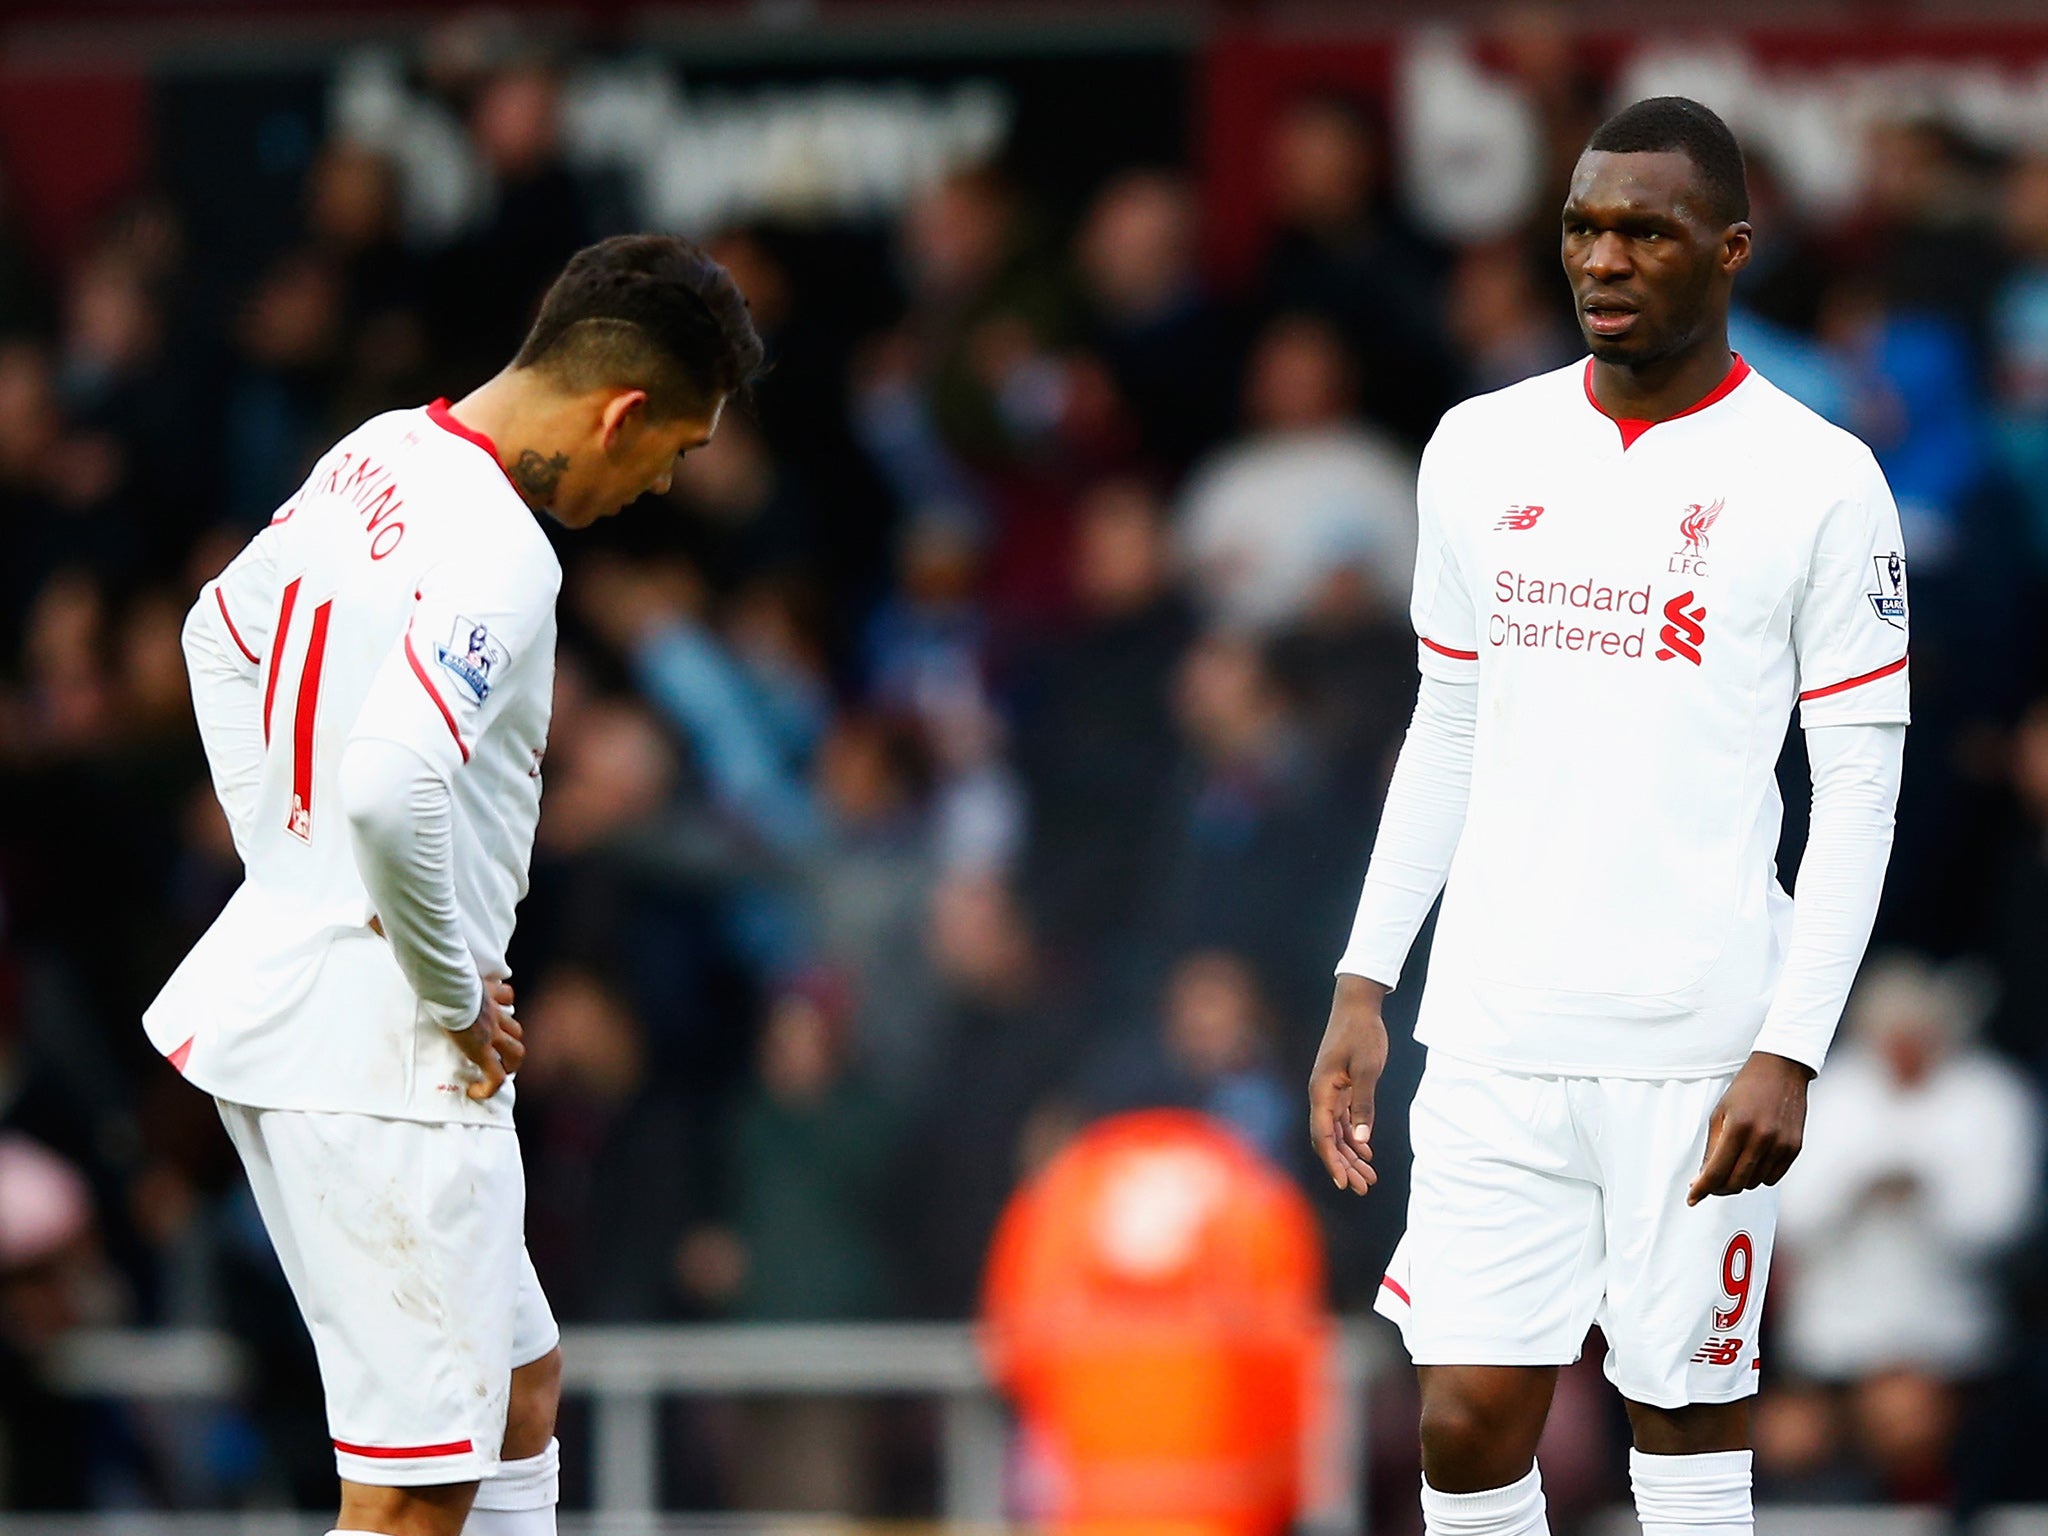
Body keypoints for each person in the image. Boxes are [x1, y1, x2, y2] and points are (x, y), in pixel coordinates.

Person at [1307, 98, 1909, 1536]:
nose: (1607, 257)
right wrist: (1364, 977)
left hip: (1699, 1045)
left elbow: (1859, 791)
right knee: (1462, 1423)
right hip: (1498, 1031)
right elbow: (1445, 726)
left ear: (1732, 250)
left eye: (1649, 230)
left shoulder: (1820, 482)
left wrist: (1791, 1049)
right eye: (1585, 226)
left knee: (1685, 1433)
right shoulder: (1477, 448)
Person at [143, 234, 763, 1536]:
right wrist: (449, 986)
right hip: (395, 1059)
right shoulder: (503, 552)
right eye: (678, 451)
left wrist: (291, 864)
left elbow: (218, 633)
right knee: (416, 1491)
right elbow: (388, 785)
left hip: (299, 999)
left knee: (520, 1392)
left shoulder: (378, 451)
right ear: (624, 411)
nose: (662, 484)